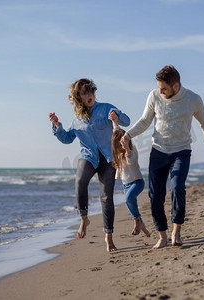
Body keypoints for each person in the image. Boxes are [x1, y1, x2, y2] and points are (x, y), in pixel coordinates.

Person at [121, 65, 204, 249]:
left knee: (177, 187)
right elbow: (145, 120)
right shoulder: (154, 96)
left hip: (181, 151)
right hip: (159, 151)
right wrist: (129, 134)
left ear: (175, 86)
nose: (160, 92)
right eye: (159, 88)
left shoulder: (193, 99)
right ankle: (162, 236)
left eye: (164, 89)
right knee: (155, 195)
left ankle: (176, 232)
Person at [49, 78, 130, 252]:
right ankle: (84, 218)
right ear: (79, 97)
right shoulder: (77, 119)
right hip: (89, 157)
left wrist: (117, 115)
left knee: (106, 197)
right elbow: (67, 138)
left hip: (109, 159)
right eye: (85, 93)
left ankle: (109, 237)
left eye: (91, 91)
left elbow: (127, 121)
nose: (89, 95)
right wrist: (57, 126)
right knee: (80, 181)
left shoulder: (106, 107)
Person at [109, 112, 151, 238]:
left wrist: (126, 148)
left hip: (137, 182)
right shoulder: (117, 152)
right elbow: (116, 131)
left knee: (128, 200)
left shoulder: (132, 150)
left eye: (122, 142)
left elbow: (131, 161)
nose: (120, 146)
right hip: (126, 184)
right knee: (130, 203)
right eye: (118, 144)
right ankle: (142, 226)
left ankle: (137, 221)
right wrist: (114, 121)